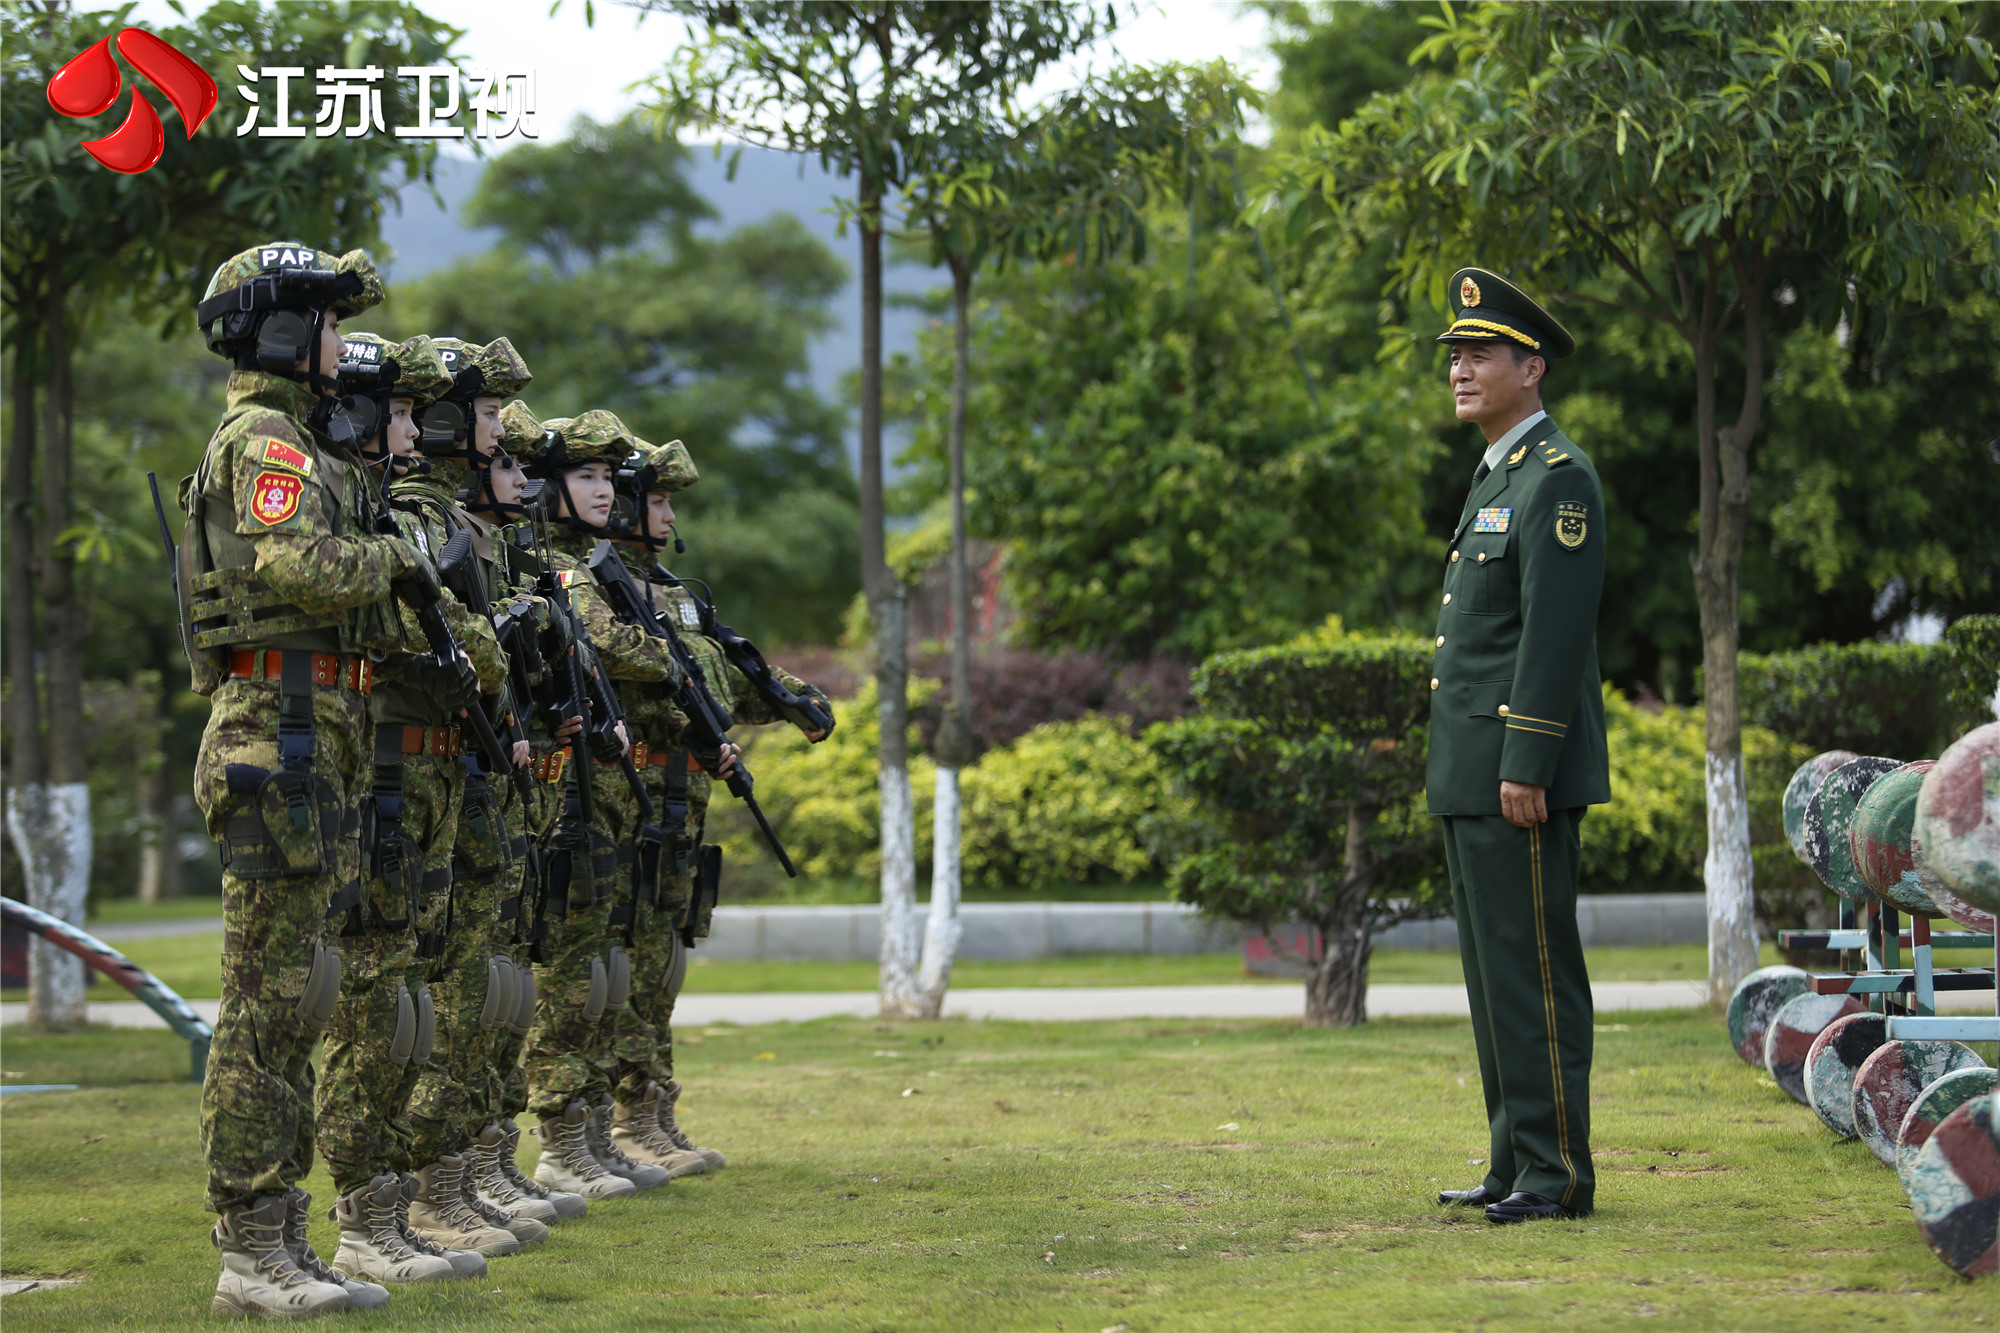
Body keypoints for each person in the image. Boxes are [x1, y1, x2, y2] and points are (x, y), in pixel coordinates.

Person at [184, 241, 418, 1317]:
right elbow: (305, 568)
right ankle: (249, 1249)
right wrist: (401, 558)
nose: (337, 341)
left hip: (306, 732)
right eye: (323, 320)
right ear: (280, 330)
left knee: (302, 990)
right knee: (268, 1006)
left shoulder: (296, 441)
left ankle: (279, 1238)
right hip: (274, 733)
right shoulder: (265, 438)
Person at [315, 332, 520, 1278]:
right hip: (391, 767)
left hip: (441, 768)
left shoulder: (419, 517)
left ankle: (423, 1193)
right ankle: (371, 1214)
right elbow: (420, 627)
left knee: (436, 995)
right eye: (400, 408)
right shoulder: (386, 512)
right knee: (382, 999)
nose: (410, 425)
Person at [1426, 268, 1609, 1224]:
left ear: (1530, 367)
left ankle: (1557, 1173)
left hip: (1515, 776)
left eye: (1480, 353)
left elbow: (1553, 634)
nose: (1460, 367)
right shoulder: (1498, 472)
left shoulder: (1558, 479)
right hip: (1472, 774)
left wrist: (1526, 761)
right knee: (1496, 979)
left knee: (1536, 974)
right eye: (1455, 353)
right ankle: (1513, 1161)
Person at [598, 435, 832, 1175]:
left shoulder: (674, 594)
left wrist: (794, 700)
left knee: (662, 959)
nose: (666, 514)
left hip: (679, 796)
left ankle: (652, 1111)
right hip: (628, 795)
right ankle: (621, 1119)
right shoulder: (598, 583)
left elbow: (723, 676)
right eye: (657, 499)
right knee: (622, 962)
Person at [516, 407, 684, 1197]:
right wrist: (671, 658)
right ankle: (560, 1140)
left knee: (608, 970)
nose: (603, 490)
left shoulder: (594, 571)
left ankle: (591, 1130)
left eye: (607, 478)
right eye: (585, 475)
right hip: (561, 791)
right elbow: (604, 643)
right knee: (565, 974)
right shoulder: (558, 573)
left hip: (607, 787)